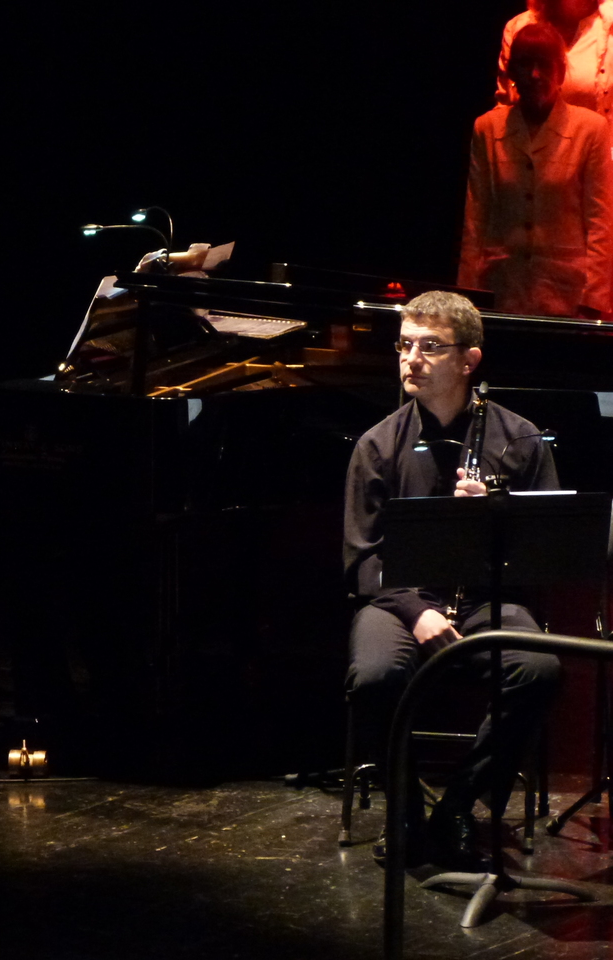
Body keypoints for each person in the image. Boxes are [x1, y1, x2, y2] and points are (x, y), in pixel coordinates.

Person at [343, 290, 561, 869]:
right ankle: (405, 812)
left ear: (469, 360)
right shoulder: (377, 445)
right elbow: (362, 557)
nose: (411, 359)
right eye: (404, 345)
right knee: (374, 676)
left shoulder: (520, 439)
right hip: (398, 603)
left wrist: (496, 515)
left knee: (538, 669)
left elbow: (543, 554)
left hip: (488, 599)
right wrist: (417, 611)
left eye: (430, 347)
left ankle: (458, 808)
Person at [460, 22, 613, 319]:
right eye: (525, 64)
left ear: (561, 71)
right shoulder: (487, 129)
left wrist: (594, 303)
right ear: (512, 72)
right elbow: (475, 219)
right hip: (502, 293)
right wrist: (467, 297)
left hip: (568, 300)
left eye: (544, 64)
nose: (534, 74)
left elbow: (601, 224)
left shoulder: (591, 130)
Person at [495, 0, 612, 125]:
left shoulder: (610, 25)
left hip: (598, 137)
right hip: (529, 137)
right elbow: (505, 109)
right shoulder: (519, 26)